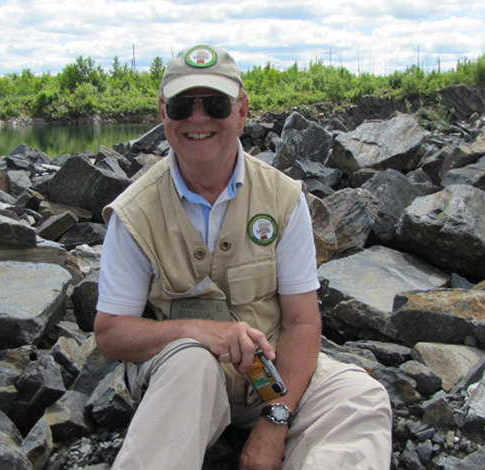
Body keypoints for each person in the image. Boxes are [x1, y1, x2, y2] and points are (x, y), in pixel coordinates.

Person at [94, 44, 392, 470]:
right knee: (193, 359)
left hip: (272, 380)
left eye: (215, 104)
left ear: (241, 110)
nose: (198, 119)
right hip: (179, 381)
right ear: (164, 112)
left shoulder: (284, 199)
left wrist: (275, 421)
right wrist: (199, 332)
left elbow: (302, 322)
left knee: (361, 397)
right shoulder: (133, 213)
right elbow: (110, 334)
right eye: (182, 105)